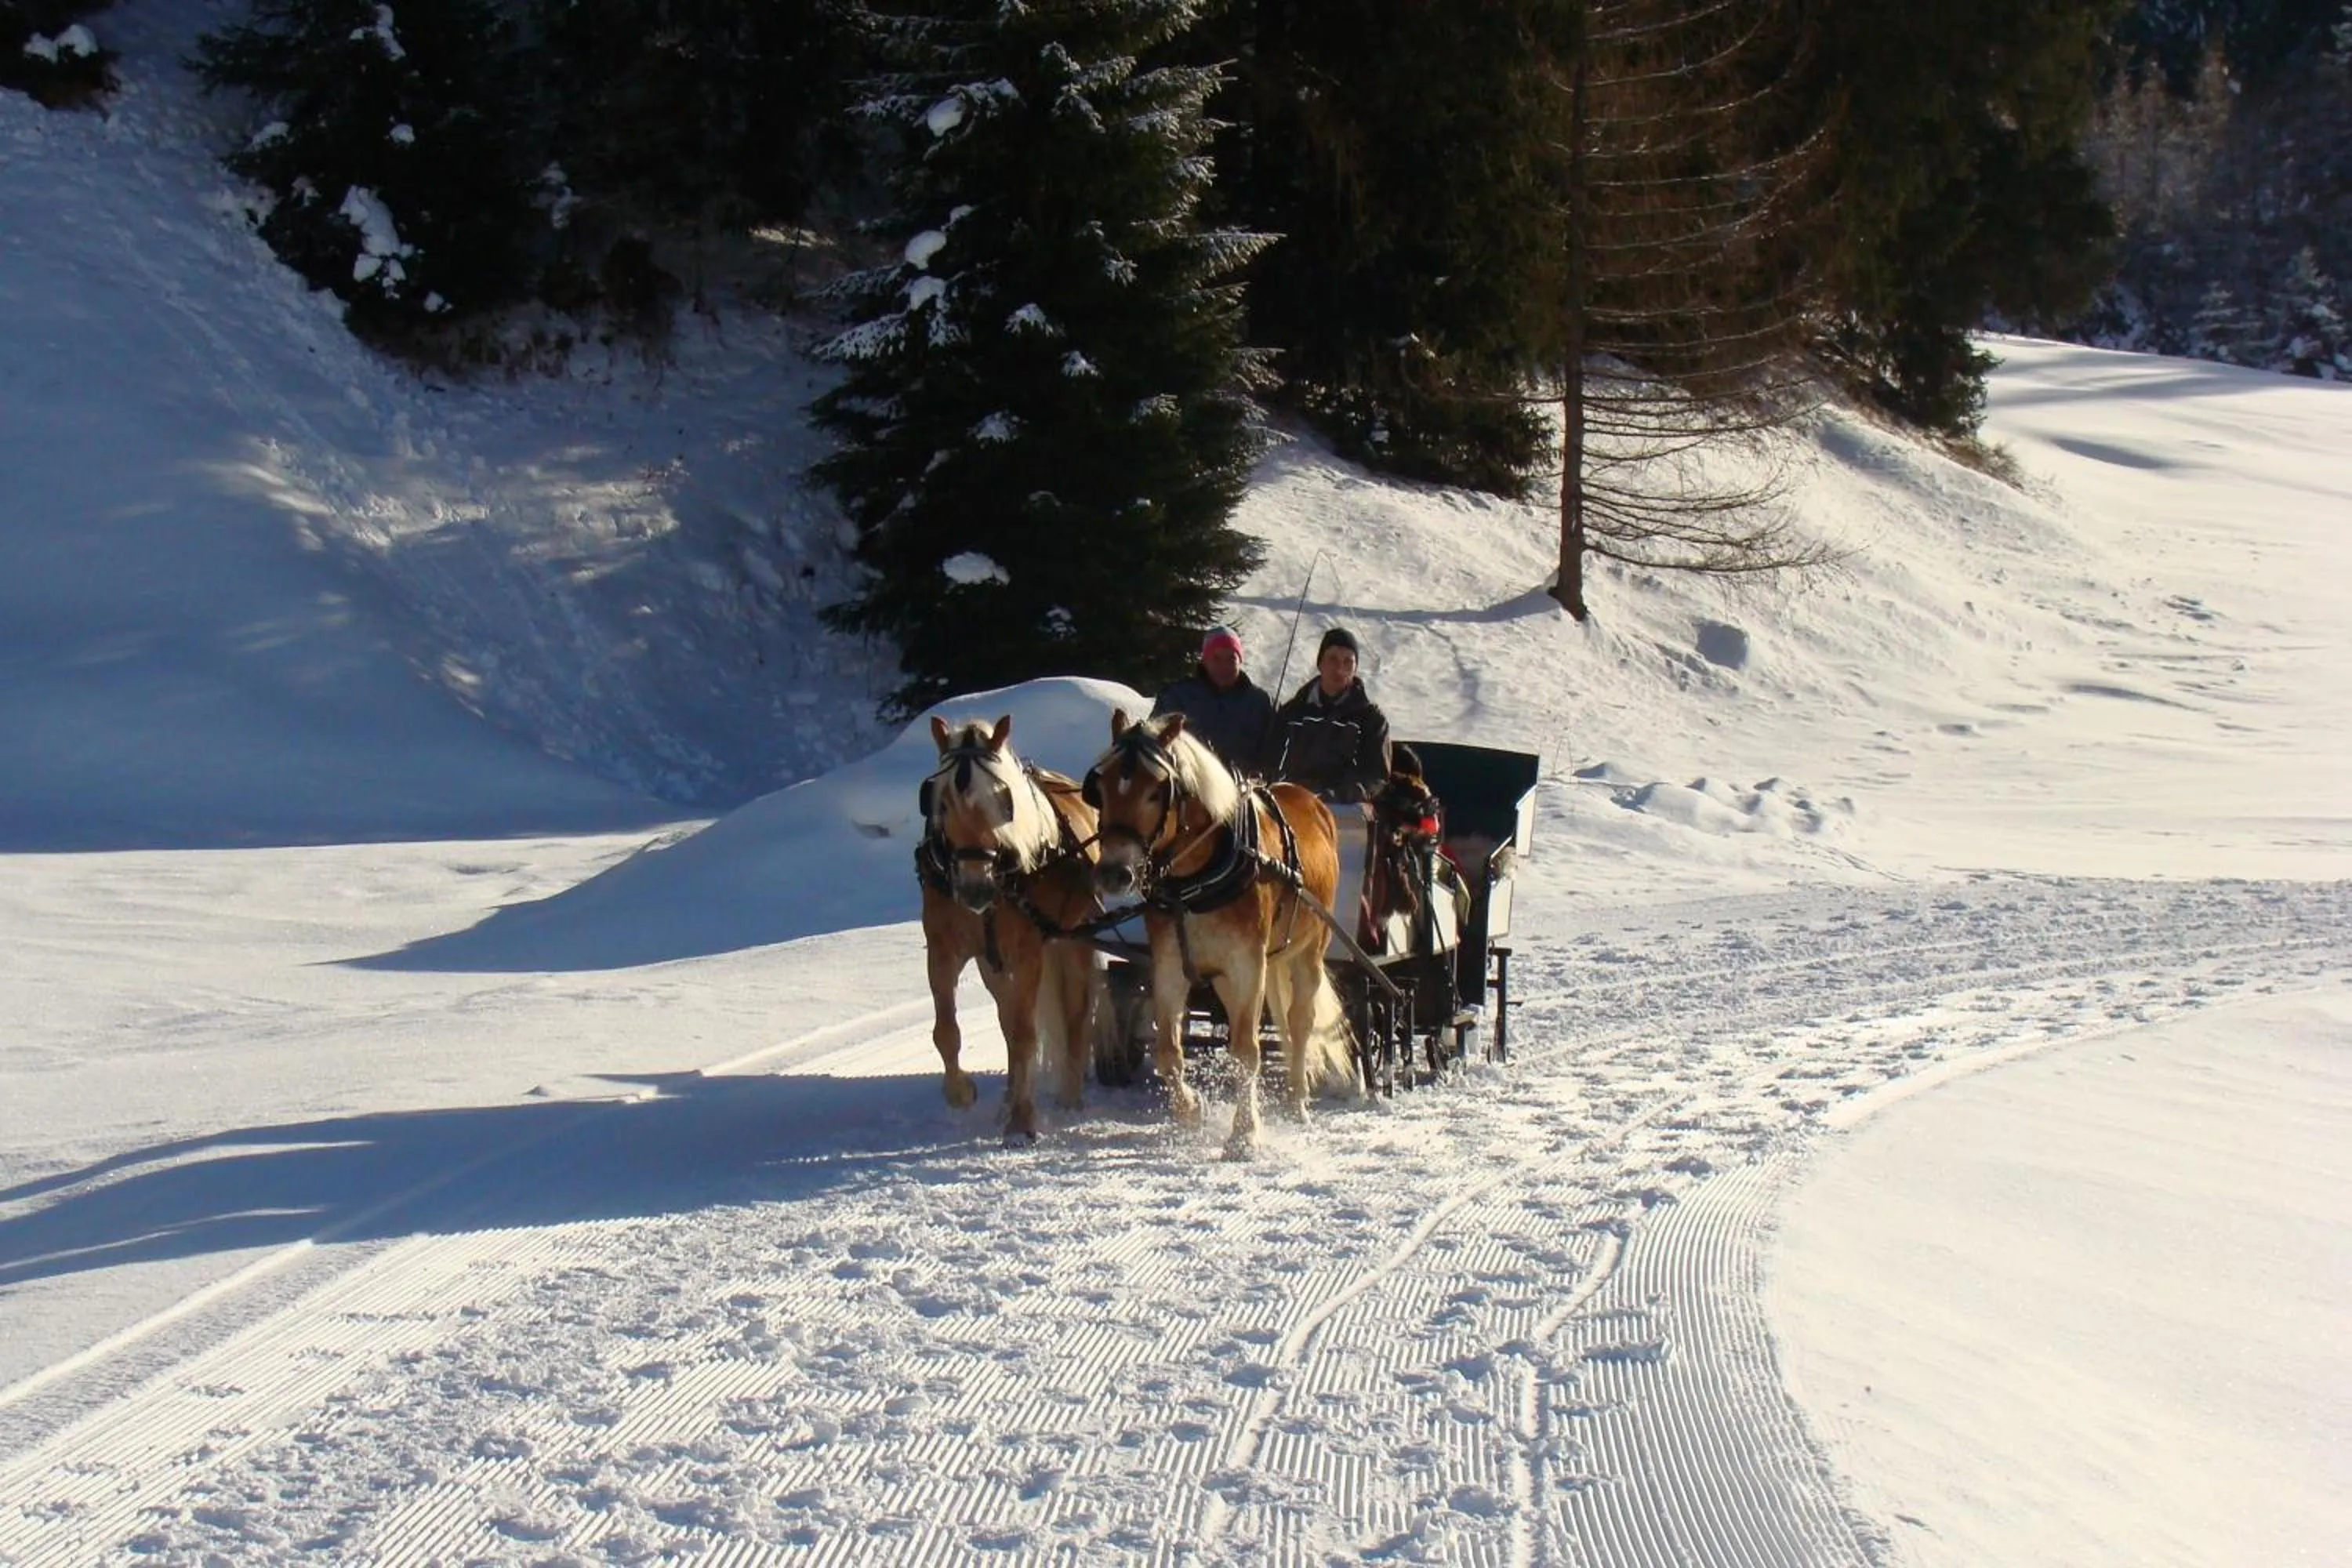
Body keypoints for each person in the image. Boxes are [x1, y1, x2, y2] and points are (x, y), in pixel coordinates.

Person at [1272, 626, 1392, 803]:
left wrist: (1338, 796)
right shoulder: (1292, 713)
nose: (1340, 668)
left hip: (1346, 809)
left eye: (1348, 662)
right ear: (1320, 663)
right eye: (1333, 659)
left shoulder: (1371, 720)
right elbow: (1271, 763)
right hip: (1294, 806)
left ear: (1356, 668)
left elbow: (1375, 777)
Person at [1150, 625, 1278, 776]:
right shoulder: (1176, 697)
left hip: (1244, 792)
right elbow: (1153, 744)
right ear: (1204, 661)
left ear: (1240, 661)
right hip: (1188, 789)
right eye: (1216, 658)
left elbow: (1275, 753)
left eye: (1232, 658)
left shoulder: (1261, 703)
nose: (1224, 666)